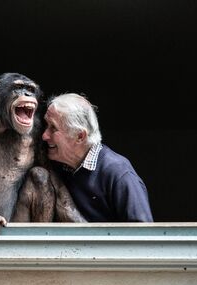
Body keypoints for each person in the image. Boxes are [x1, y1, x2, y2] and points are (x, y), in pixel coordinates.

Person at [42, 93, 153, 222]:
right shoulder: (59, 166)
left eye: (53, 128)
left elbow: (142, 235)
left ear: (80, 136)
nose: (44, 135)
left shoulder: (118, 173)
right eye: (46, 125)